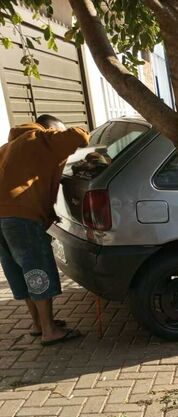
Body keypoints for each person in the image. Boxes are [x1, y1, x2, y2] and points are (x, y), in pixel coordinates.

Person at [0, 114, 89, 345]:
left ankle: (38, 324)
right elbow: (79, 135)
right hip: (21, 216)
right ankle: (50, 331)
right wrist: (57, 135)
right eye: (57, 132)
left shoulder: (9, 146)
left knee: (21, 270)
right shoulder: (39, 138)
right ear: (50, 129)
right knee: (37, 266)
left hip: (2, 218)